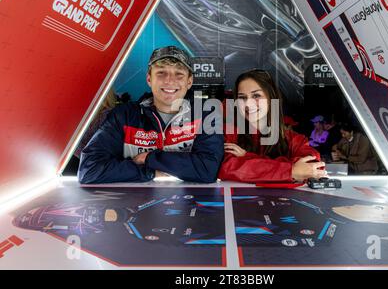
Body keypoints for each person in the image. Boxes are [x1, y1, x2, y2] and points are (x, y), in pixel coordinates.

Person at [78, 46, 224, 184]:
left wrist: (150, 158)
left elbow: (208, 170)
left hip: (191, 204)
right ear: (149, 79)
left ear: (189, 81)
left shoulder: (206, 114)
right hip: (133, 204)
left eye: (179, 74)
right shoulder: (124, 115)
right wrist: (149, 172)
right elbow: (89, 169)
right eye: (161, 73)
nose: (169, 80)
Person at [218, 69, 327, 187]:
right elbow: (226, 167)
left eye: (256, 95)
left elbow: (313, 165)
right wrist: (291, 171)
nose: (248, 104)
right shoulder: (228, 133)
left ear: (271, 98)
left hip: (286, 203)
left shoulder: (294, 139)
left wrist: (248, 157)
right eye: (242, 97)